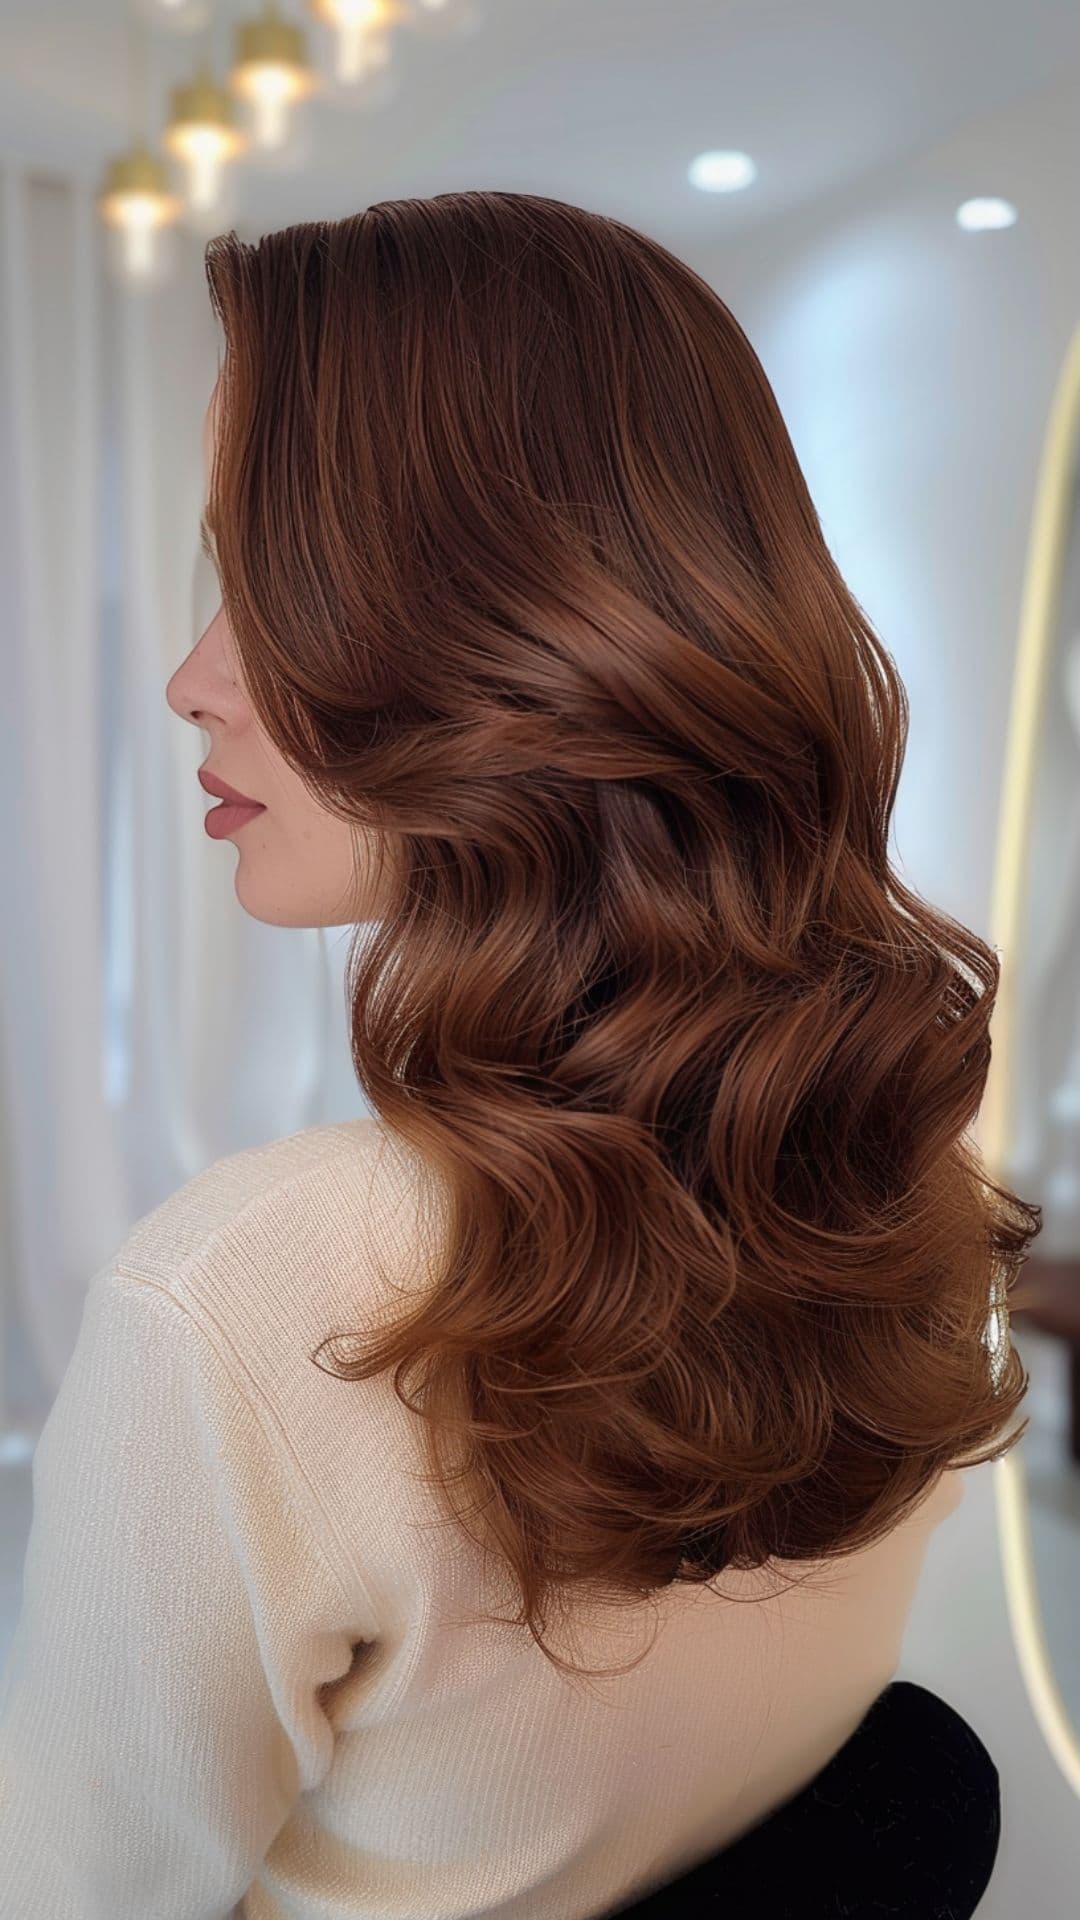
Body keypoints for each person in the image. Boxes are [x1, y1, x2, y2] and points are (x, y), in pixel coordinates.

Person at [0, 191, 1036, 1920]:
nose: (189, 681)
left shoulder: (248, 1302)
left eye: (264, 588)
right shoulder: (889, 1168)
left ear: (502, 626)